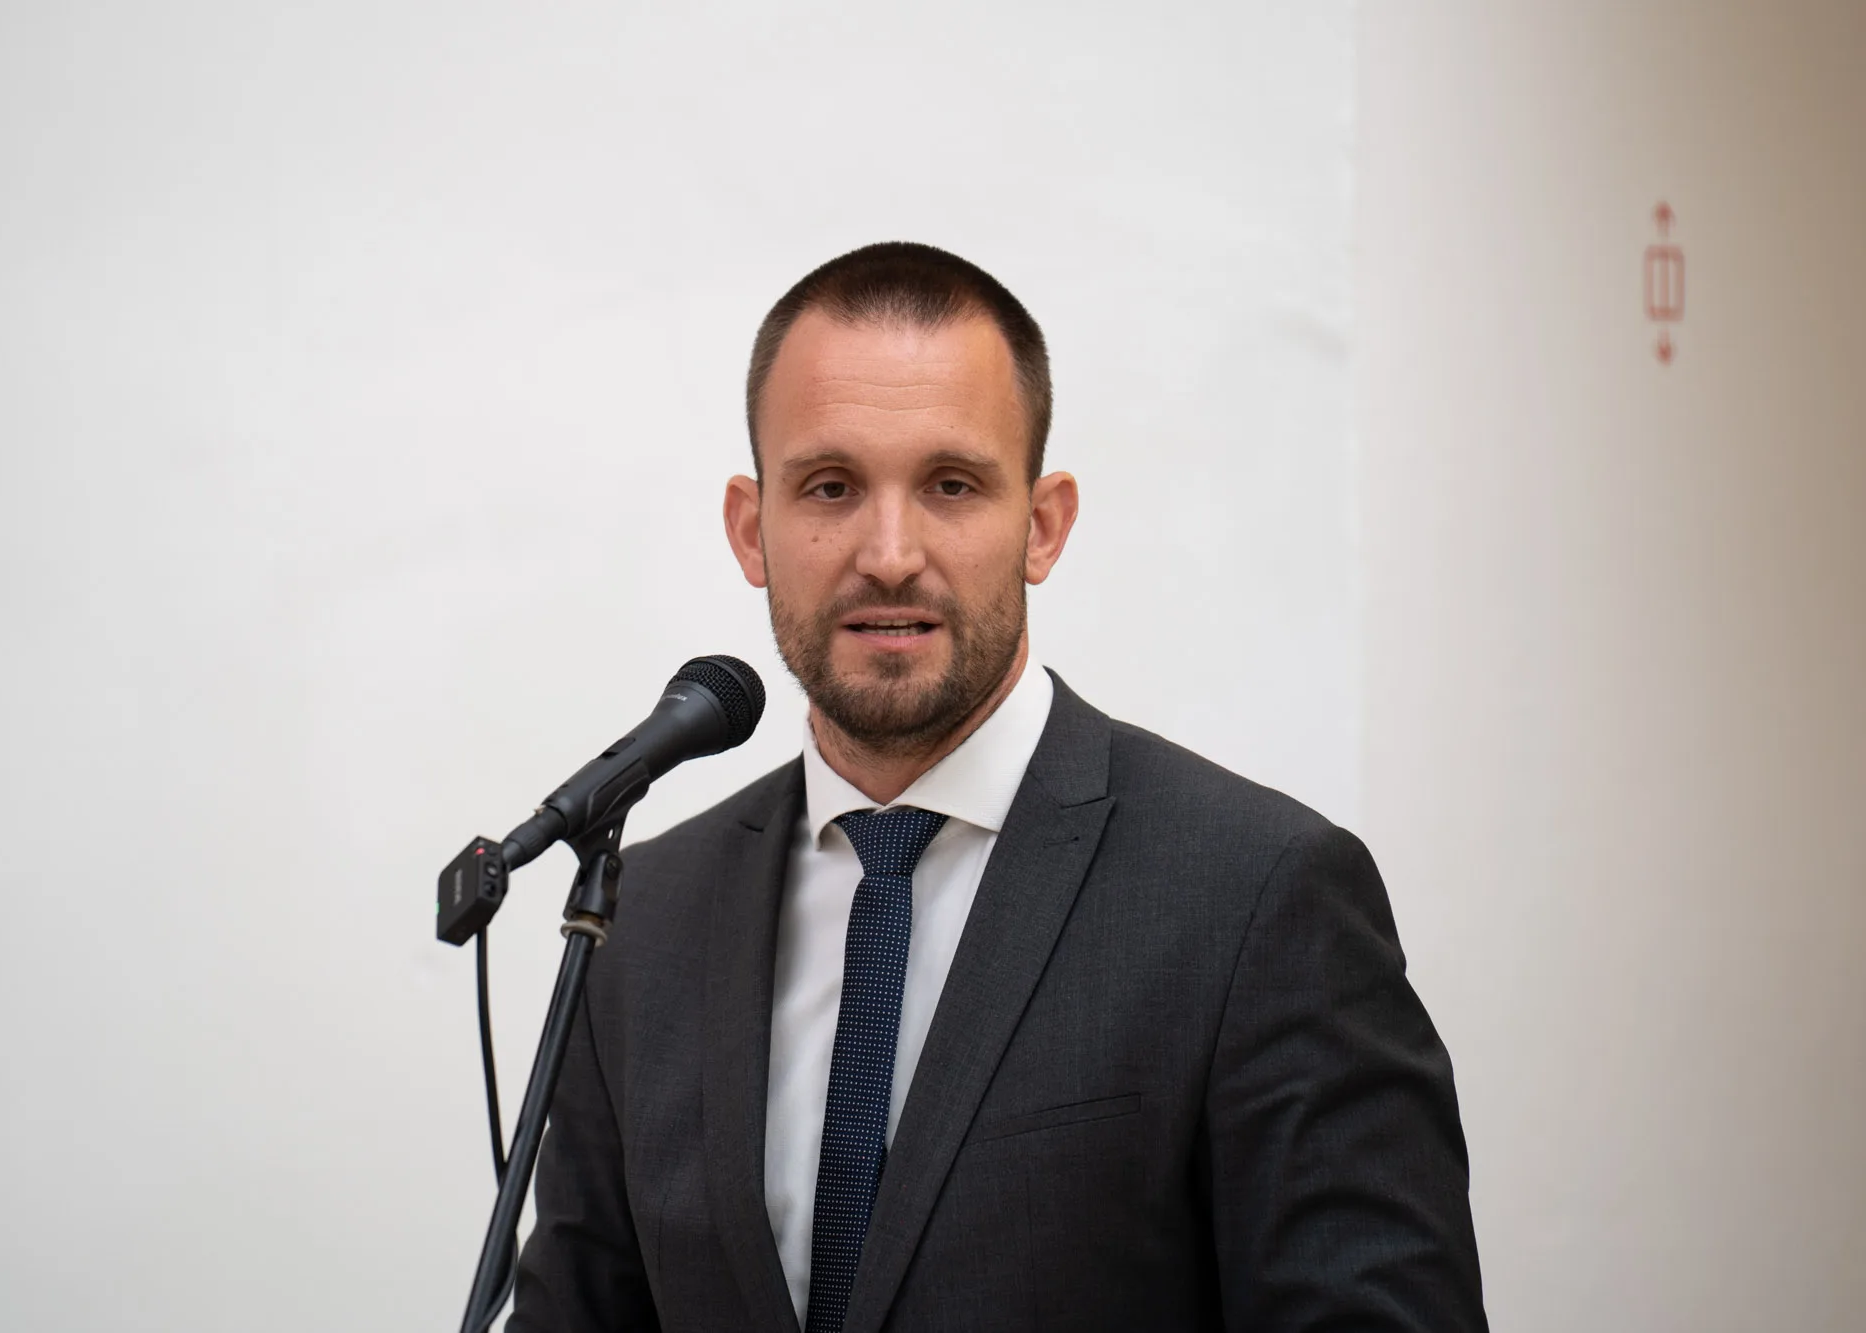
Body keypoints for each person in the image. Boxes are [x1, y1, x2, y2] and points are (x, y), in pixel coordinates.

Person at [507, 242, 1486, 1332]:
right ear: (752, 529)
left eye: (951, 486)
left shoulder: (1258, 897)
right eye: (830, 487)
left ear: (1043, 524)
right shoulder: (641, 920)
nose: (889, 553)